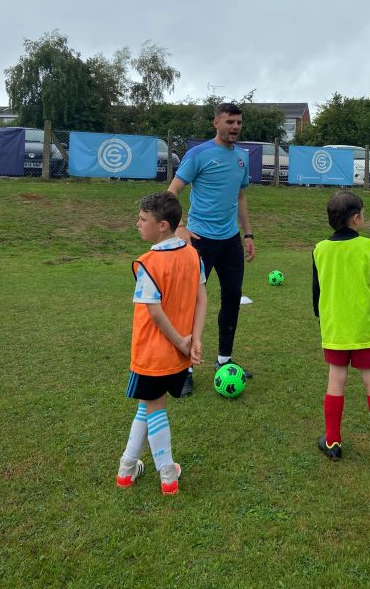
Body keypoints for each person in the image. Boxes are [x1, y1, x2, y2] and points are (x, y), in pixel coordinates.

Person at [116, 191, 207, 494]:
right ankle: (127, 469)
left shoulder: (149, 263)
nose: (137, 224)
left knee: (155, 408)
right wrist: (195, 338)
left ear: (163, 226)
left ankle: (168, 475)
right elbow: (201, 298)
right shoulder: (193, 255)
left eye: (143, 220)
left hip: (153, 353)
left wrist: (184, 341)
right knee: (149, 404)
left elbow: (154, 313)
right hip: (175, 352)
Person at [168, 102, 255, 396]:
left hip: (230, 240)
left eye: (239, 122)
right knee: (193, 303)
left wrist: (248, 234)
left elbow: (241, 199)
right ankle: (186, 369)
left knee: (231, 299)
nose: (235, 127)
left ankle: (224, 361)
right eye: (230, 121)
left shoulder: (243, 158)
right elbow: (172, 192)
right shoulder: (199, 154)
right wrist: (180, 226)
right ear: (216, 122)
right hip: (200, 240)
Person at [312, 190, 370, 464]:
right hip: (365, 328)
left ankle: (332, 442)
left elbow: (316, 292)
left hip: (336, 329)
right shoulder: (369, 247)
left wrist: (323, 318)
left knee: (336, 379)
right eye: (363, 214)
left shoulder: (320, 249)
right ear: (356, 218)